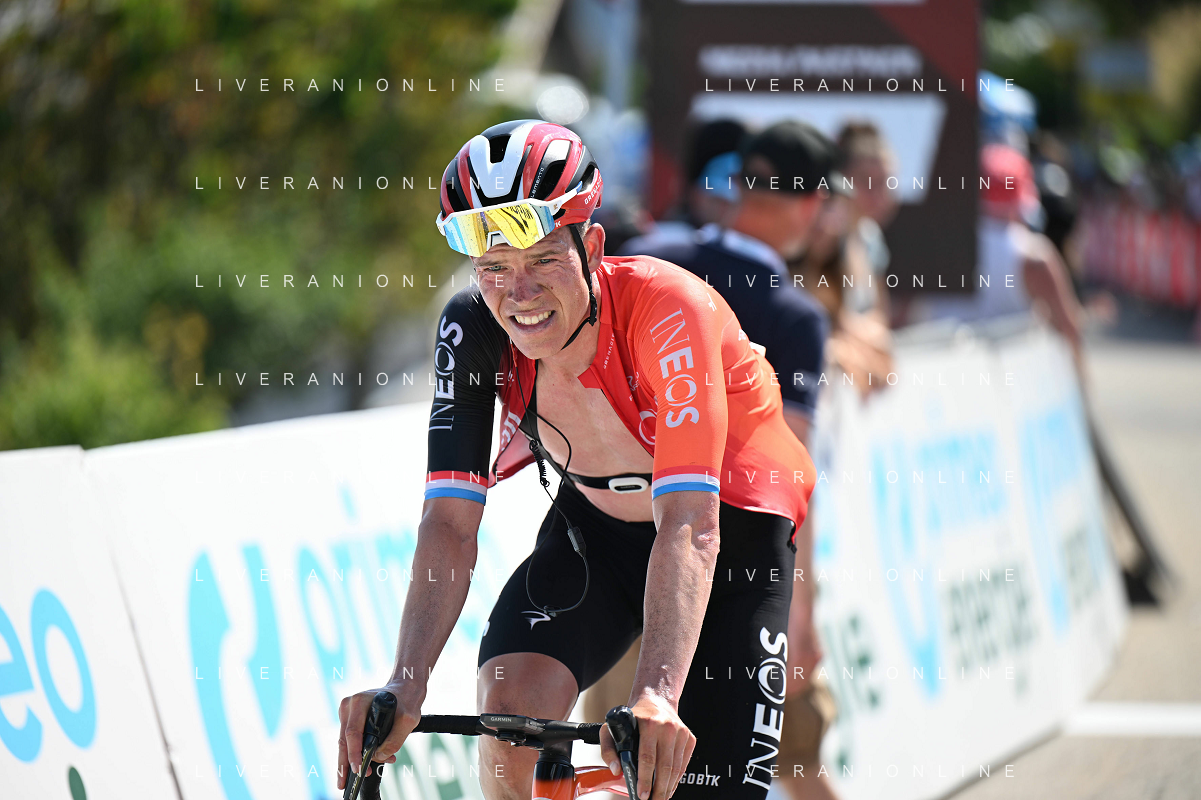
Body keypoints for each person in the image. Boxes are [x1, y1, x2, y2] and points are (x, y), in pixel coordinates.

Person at [337, 120, 817, 800]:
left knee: (693, 782)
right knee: (511, 723)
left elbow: (689, 522)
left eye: (541, 261)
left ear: (591, 246)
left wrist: (656, 695)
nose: (519, 294)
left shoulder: (667, 308)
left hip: (730, 530)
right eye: (494, 268)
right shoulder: (471, 330)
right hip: (599, 527)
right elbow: (448, 523)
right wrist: (405, 683)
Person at [621, 120, 840, 800]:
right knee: (777, 766)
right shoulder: (791, 315)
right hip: (733, 570)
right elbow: (783, 476)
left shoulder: (646, 259)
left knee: (620, 771)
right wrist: (798, 610)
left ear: (739, 182)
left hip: (618, 561)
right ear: (812, 205)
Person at [911, 143, 1084, 373]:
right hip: (1010, 382)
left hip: (939, 375)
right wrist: (1080, 386)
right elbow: (1068, 328)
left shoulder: (929, 246)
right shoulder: (1034, 256)